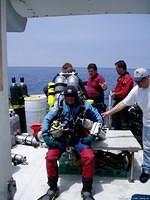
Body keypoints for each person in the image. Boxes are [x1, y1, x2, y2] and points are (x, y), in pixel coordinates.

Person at [41, 85, 104, 200]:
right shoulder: (59, 105)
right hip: (62, 137)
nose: (70, 100)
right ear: (64, 97)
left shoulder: (84, 105)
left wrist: (92, 135)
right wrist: (45, 135)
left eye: (72, 97)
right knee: (50, 157)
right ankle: (53, 188)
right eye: (67, 97)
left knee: (89, 157)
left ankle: (86, 190)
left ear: (76, 96)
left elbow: (99, 119)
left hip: (79, 137)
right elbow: (47, 119)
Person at [102, 67, 150, 183]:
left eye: (140, 81)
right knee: (147, 148)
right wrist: (109, 112)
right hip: (147, 123)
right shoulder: (136, 90)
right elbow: (123, 103)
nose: (138, 84)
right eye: (136, 81)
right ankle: (146, 170)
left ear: (148, 78)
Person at [110, 60, 133, 130]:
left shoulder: (128, 78)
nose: (116, 70)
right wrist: (115, 91)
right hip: (118, 102)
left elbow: (124, 93)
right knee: (115, 122)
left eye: (117, 68)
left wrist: (115, 94)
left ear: (121, 68)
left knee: (123, 124)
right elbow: (119, 89)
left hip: (124, 104)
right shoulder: (120, 78)